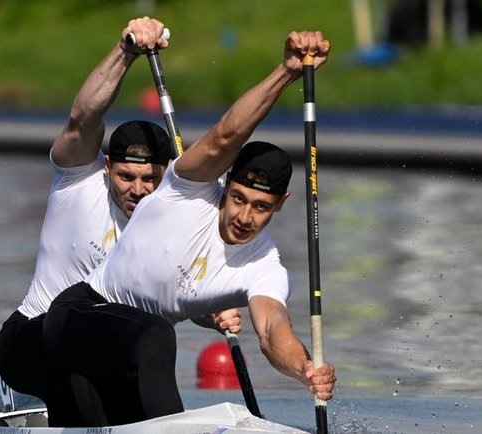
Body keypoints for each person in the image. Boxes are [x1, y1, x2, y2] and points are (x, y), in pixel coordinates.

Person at [42, 30, 337, 426]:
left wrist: (304, 369)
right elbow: (227, 136)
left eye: (261, 207)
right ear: (225, 184)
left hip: (131, 353)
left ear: (280, 205)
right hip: (77, 316)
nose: (244, 217)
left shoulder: (264, 265)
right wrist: (286, 72)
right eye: (238, 199)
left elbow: (271, 330)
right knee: (158, 336)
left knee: (149, 349)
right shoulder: (188, 187)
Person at [0, 17, 240, 427]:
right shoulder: (78, 182)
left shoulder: (181, 217)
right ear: (107, 168)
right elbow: (82, 117)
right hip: (31, 339)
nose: (138, 190)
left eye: (149, 179)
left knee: (129, 371)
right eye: (126, 177)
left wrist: (211, 311)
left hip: (105, 355)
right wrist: (125, 51)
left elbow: (180, 293)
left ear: (168, 175)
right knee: (137, 345)